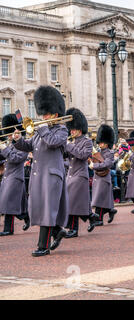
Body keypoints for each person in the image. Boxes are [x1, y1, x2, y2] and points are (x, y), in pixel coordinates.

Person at [12, 86, 69, 257]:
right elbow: (28, 146)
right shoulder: (39, 132)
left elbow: (52, 142)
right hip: (39, 175)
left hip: (52, 175)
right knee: (39, 207)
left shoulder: (61, 130)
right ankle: (58, 230)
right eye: (43, 114)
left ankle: (42, 246)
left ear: (55, 114)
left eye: (46, 114)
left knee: (47, 209)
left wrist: (42, 128)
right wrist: (17, 140)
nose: (43, 117)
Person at [64, 108, 97, 237]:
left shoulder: (87, 142)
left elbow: (83, 155)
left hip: (80, 176)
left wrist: (69, 146)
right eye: (70, 129)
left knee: (72, 203)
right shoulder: (72, 142)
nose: (71, 131)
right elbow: (66, 157)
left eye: (73, 129)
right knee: (74, 202)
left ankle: (73, 229)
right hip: (71, 175)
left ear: (80, 129)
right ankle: (91, 216)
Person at [0, 113, 30, 236]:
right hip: (8, 176)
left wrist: (4, 148)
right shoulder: (11, 144)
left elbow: (16, 158)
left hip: (15, 177)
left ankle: (8, 229)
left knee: (8, 203)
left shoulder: (23, 145)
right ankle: (27, 216)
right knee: (12, 203)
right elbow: (5, 158)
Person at [89, 124, 115, 225]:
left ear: (107, 143)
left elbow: (107, 164)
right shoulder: (98, 152)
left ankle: (99, 220)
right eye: (100, 142)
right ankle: (110, 210)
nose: (100, 144)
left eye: (102, 142)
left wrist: (94, 166)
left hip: (104, 178)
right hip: (97, 177)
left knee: (99, 199)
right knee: (100, 199)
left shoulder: (110, 153)